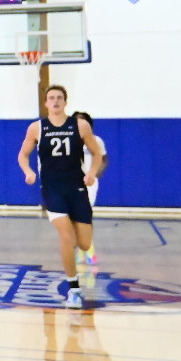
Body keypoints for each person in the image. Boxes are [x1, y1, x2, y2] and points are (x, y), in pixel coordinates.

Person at [18, 85, 104, 310]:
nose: (55, 101)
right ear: (46, 103)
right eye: (51, 98)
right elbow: (23, 154)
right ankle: (74, 289)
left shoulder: (80, 125)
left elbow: (97, 153)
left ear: (65, 102)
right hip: (52, 189)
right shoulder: (37, 128)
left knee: (84, 244)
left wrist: (92, 173)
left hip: (76, 188)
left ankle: (79, 245)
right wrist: (28, 172)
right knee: (66, 237)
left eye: (59, 98)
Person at [78, 111, 105, 266]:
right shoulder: (69, 142)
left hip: (89, 183)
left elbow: (104, 160)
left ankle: (89, 249)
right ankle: (83, 249)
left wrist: (94, 174)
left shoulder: (96, 141)